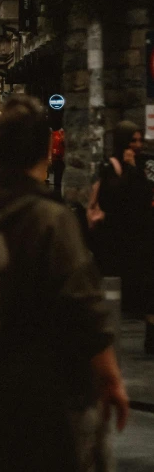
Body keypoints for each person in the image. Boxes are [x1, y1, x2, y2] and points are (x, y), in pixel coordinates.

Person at [0, 95, 128, 472]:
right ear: (43, 153)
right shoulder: (51, 219)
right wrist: (110, 378)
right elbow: (82, 308)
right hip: (35, 398)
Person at [90, 121, 154, 354]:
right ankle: (106, 341)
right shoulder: (109, 165)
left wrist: (134, 169)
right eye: (132, 140)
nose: (137, 145)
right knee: (114, 290)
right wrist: (127, 171)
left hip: (142, 235)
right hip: (116, 239)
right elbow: (111, 198)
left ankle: (150, 337)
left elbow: (146, 194)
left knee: (147, 287)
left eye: (139, 140)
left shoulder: (144, 163)